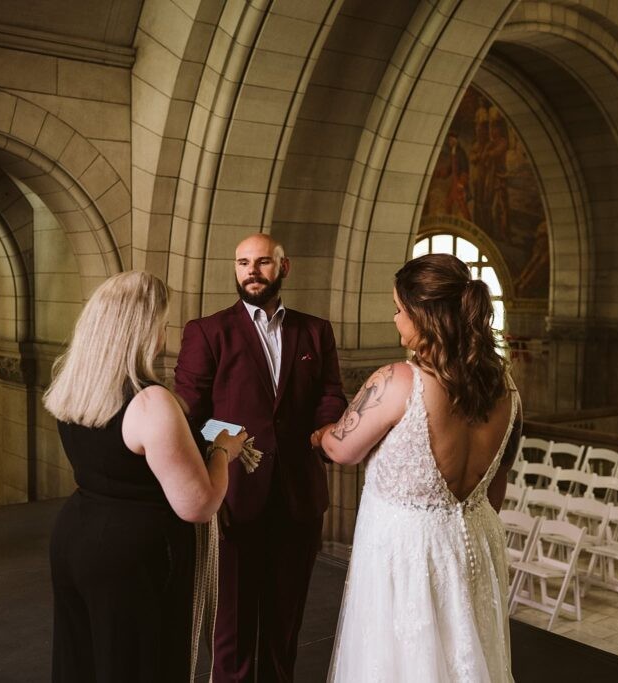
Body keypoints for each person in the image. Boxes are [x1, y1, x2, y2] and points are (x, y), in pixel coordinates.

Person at [321, 253, 521, 682]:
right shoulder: (506, 390)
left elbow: (342, 450)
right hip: (474, 542)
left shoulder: (398, 381)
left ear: (422, 315)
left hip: (407, 553)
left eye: (398, 309)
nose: (395, 320)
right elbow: (498, 482)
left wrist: (316, 434)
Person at [43, 270, 247, 683]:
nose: (164, 333)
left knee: (87, 663)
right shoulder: (152, 401)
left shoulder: (75, 386)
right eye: (162, 323)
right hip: (131, 556)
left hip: (76, 538)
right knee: (138, 667)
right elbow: (198, 504)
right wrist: (226, 450)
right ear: (144, 329)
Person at [174, 234, 348, 682]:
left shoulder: (315, 330)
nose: (252, 270)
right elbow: (190, 414)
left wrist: (325, 430)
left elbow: (330, 394)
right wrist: (224, 438)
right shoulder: (207, 331)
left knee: (284, 625)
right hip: (234, 496)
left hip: (299, 497)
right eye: (243, 262)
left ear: (283, 268)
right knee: (230, 628)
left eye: (263, 261)